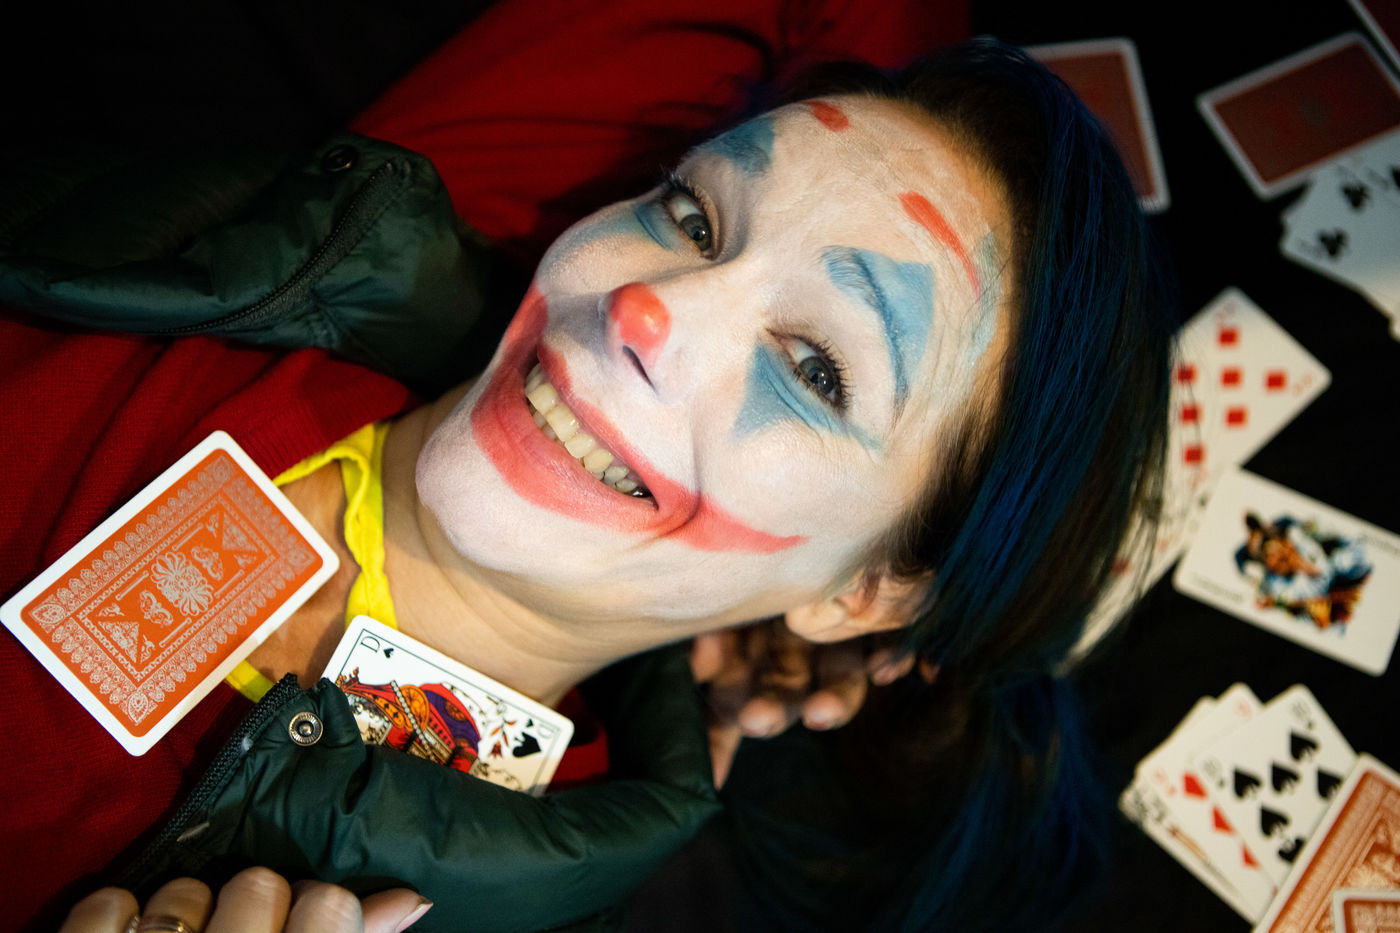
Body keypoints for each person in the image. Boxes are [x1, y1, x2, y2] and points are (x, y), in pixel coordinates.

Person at [3, 27, 1171, 933]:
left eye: (814, 367)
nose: (643, 307)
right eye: (691, 215)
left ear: (865, 591)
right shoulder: (297, 245)